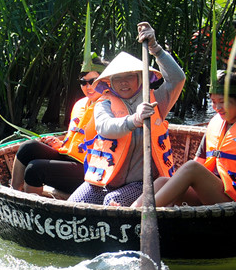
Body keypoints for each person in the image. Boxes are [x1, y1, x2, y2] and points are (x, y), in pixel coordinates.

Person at [68, 22, 185, 207]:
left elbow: (178, 78)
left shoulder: (156, 100)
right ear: (109, 83)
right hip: (103, 180)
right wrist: (135, 120)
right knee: (72, 206)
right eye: (117, 79)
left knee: (113, 202)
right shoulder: (104, 103)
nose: (123, 83)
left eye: (129, 77)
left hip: (141, 183)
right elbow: (105, 128)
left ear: (139, 77)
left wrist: (155, 48)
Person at [136, 72, 236, 208]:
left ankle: (144, 214)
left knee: (191, 168)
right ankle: (132, 211)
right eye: (213, 102)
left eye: (222, 102)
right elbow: (199, 161)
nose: (217, 108)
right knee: (162, 182)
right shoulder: (216, 125)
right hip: (212, 192)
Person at [9, 55, 108, 198]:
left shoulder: (110, 107)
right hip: (69, 157)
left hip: (90, 169)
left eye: (93, 82)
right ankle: (14, 193)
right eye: (83, 82)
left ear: (104, 81)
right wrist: (61, 143)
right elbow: (76, 136)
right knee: (27, 147)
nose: (88, 87)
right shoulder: (81, 104)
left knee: (34, 169)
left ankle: (32, 206)